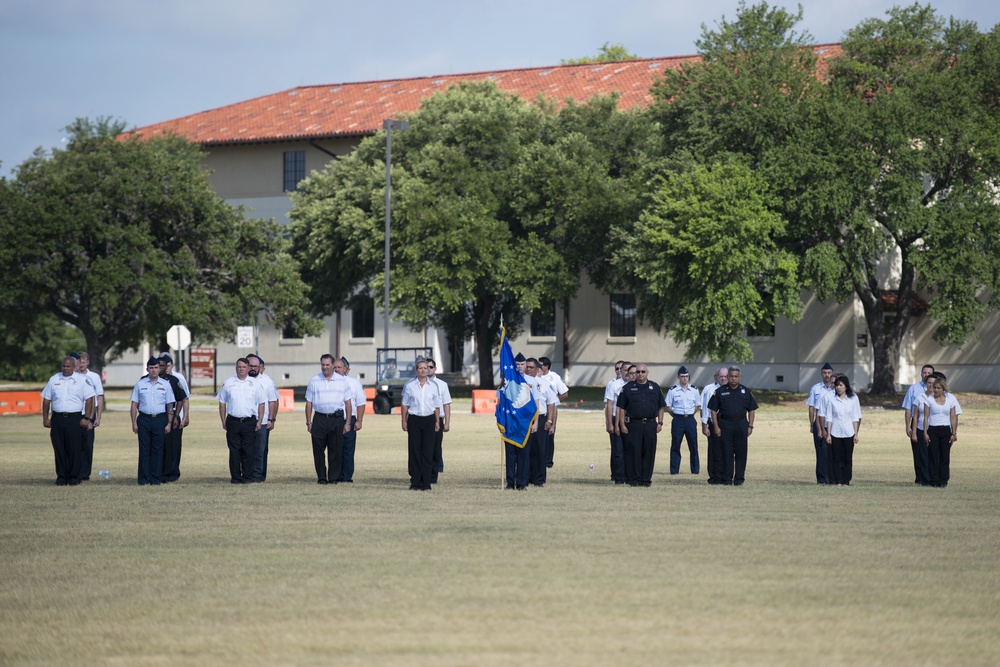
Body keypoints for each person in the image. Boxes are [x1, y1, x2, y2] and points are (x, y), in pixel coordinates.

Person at [40, 356, 96, 486]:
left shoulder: (82, 380)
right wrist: (45, 418)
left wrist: (87, 418)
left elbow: (89, 399)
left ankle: (74, 477)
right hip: (58, 418)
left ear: (74, 367)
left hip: (75, 418)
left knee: (75, 449)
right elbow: (47, 400)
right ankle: (61, 477)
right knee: (59, 448)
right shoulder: (54, 379)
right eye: (63, 366)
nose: (65, 369)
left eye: (68, 366)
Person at [304, 354, 353, 485]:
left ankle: (333, 478)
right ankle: (321, 477)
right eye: (323, 365)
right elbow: (309, 403)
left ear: (332, 365)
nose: (325, 367)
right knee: (318, 450)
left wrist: (347, 422)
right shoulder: (314, 380)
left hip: (336, 419)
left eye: (327, 365)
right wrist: (309, 422)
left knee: (335, 450)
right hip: (319, 418)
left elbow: (348, 403)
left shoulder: (342, 381)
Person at [217, 358, 267, 484]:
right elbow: (222, 403)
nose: (241, 369)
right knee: (234, 451)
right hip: (233, 421)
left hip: (249, 421)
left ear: (248, 368)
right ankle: (235, 477)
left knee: (248, 451)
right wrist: (223, 420)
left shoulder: (254, 384)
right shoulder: (228, 383)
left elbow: (261, 403)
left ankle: (247, 477)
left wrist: (259, 421)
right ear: (236, 368)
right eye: (239, 367)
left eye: (244, 367)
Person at [616, 364, 666, 487]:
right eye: (638, 372)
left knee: (649, 452)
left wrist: (660, 422)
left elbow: (661, 406)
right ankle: (634, 479)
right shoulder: (627, 388)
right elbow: (621, 408)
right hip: (634, 425)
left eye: (643, 371)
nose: (640, 374)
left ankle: (646, 480)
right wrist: (622, 424)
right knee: (634, 453)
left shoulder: (654, 387)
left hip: (650, 425)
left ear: (647, 372)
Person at [129, 356, 176, 485]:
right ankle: (143, 478)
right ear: (147, 369)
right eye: (151, 368)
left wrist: (169, 423)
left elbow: (170, 405)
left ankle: (155, 478)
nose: (154, 370)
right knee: (144, 450)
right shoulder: (140, 384)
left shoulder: (165, 385)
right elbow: (134, 405)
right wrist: (133, 422)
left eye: (156, 368)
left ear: (159, 369)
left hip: (160, 419)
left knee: (158, 450)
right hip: (144, 419)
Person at [709, 366, 758, 486]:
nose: (733, 379)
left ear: (740, 377)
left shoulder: (746, 391)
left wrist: (750, 426)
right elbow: (713, 410)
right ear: (728, 377)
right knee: (726, 453)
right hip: (725, 424)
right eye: (731, 376)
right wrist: (716, 427)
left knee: (741, 453)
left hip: (741, 424)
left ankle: (739, 479)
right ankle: (727, 479)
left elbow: (752, 410)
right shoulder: (720, 391)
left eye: (736, 376)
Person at [400, 360, 441, 490]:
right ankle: (415, 481)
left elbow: (436, 406)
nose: (423, 370)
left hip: (429, 420)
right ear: (416, 370)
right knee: (414, 451)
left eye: (425, 368)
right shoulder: (409, 386)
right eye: (420, 368)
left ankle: (426, 482)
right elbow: (405, 404)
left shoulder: (434, 386)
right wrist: (404, 420)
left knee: (427, 452)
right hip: (414, 420)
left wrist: (437, 421)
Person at [922, 373, 962, 488]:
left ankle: (943, 480)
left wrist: (954, 433)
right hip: (933, 429)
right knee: (933, 455)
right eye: (934, 387)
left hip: (945, 430)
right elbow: (925, 417)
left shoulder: (950, 400)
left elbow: (953, 417)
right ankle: (933, 479)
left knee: (945, 456)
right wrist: (925, 432)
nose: (935, 390)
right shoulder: (929, 400)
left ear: (943, 388)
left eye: (938, 388)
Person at [245, 354, 279, 482]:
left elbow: (273, 401)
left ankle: (258, 476)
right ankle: (247, 474)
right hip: (246, 421)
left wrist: (271, 419)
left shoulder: (267, 382)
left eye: (255, 366)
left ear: (260, 367)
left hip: (263, 421)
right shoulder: (241, 380)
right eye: (251, 366)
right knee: (246, 449)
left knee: (260, 450)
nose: (253, 368)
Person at [823, 375, 862, 485]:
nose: (838, 388)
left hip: (849, 432)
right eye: (837, 385)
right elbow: (829, 418)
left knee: (847, 458)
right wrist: (829, 434)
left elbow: (855, 417)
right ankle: (837, 480)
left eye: (841, 385)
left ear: (846, 386)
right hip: (836, 432)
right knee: (836, 458)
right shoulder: (832, 400)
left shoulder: (853, 399)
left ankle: (846, 480)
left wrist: (856, 434)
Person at [525, 358, 557, 487]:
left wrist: (550, 420)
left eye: (531, 367)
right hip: (525, 419)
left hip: (542, 418)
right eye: (527, 367)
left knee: (540, 450)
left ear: (538, 369)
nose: (528, 369)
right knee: (526, 450)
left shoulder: (543, 384)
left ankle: (539, 479)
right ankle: (525, 477)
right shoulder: (521, 382)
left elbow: (551, 403)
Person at [157, 354, 189, 483]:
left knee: (174, 446)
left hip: (176, 416)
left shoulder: (177, 378)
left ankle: (173, 471)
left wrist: (185, 417)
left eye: (167, 365)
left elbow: (184, 398)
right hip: (162, 416)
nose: (166, 368)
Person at [335, 357, 367, 483]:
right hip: (333, 419)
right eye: (335, 367)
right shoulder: (327, 382)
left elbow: (361, 403)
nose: (336, 370)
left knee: (347, 449)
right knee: (334, 448)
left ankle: (346, 476)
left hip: (349, 419)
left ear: (346, 369)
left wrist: (359, 420)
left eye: (339, 367)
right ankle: (334, 475)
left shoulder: (354, 383)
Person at [902, 364, 934, 485]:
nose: (926, 375)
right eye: (924, 373)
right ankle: (919, 477)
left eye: (928, 373)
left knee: (931, 452)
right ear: (921, 374)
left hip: (932, 424)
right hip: (917, 423)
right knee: (918, 452)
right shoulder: (914, 388)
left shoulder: (936, 389)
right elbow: (908, 408)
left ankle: (931, 476)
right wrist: (907, 426)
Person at [665, 365, 700, 475]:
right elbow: (668, 407)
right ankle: (674, 470)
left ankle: (695, 470)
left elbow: (697, 406)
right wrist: (677, 416)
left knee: (693, 445)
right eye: (682, 376)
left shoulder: (694, 390)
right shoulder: (673, 390)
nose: (685, 378)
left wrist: (688, 414)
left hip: (690, 419)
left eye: (686, 376)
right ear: (678, 377)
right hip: (678, 420)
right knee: (675, 444)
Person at [76, 352, 104, 481]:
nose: (81, 365)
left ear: (87, 362)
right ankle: (75, 470)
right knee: (76, 443)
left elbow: (99, 396)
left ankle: (85, 473)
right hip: (75, 413)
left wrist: (98, 417)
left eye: (83, 362)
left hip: (89, 414)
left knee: (87, 444)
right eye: (79, 362)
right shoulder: (73, 377)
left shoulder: (94, 377)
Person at [806, 363, 836, 484]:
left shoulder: (836, 389)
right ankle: (821, 479)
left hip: (832, 424)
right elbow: (811, 407)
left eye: (829, 373)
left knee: (832, 452)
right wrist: (811, 424)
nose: (827, 375)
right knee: (820, 452)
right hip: (818, 423)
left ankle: (832, 477)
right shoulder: (816, 388)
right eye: (825, 373)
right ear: (821, 374)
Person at [538, 356, 568, 469]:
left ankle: (548, 461)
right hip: (539, 409)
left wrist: (553, 402)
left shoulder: (554, 377)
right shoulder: (534, 377)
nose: (538, 367)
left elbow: (564, 393)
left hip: (551, 409)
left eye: (540, 365)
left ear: (546, 366)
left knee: (549, 434)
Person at [426, 358, 451, 485]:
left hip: (438, 419)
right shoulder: (417, 383)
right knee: (423, 448)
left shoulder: (442, 385)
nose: (428, 369)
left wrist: (447, 422)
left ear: (435, 369)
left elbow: (446, 404)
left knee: (436, 447)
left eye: (430, 367)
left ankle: (434, 474)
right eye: (426, 367)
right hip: (423, 418)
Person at [701, 367, 728, 485]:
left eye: (725, 376)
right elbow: (703, 408)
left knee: (726, 451)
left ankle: (725, 475)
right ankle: (714, 477)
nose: (723, 378)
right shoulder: (709, 389)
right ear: (716, 376)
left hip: (727, 424)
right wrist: (704, 425)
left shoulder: (731, 389)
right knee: (714, 451)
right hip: (712, 423)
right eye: (720, 376)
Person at [604, 360, 629, 484]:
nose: (621, 371)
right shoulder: (613, 384)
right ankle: (618, 476)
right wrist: (609, 423)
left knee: (628, 450)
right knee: (617, 450)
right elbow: (609, 405)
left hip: (630, 420)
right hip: (615, 418)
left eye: (623, 369)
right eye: (619, 369)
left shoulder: (633, 385)